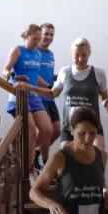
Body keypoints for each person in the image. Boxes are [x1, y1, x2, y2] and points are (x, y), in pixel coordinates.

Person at [2, 24, 54, 176]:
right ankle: (30, 169)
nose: (37, 42)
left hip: (34, 96)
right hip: (19, 95)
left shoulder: (37, 53)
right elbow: (5, 69)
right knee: (31, 131)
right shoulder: (18, 50)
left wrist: (48, 86)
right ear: (26, 36)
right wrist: (10, 76)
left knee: (47, 129)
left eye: (39, 39)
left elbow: (35, 75)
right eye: (35, 39)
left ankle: (24, 151)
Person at [38, 23, 61, 157]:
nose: (49, 37)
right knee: (47, 130)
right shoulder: (34, 52)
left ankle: (36, 152)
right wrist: (48, 86)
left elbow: (48, 74)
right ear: (40, 34)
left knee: (57, 131)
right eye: (46, 33)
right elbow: (33, 74)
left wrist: (61, 76)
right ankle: (44, 161)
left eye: (51, 34)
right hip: (39, 97)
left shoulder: (51, 54)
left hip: (50, 97)